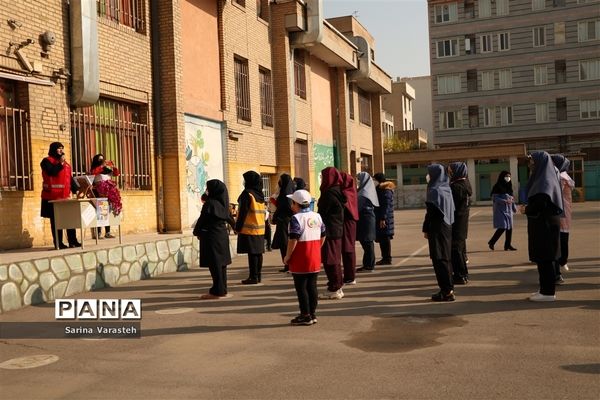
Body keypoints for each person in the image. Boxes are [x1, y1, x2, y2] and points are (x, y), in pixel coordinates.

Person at [283, 190, 326, 326]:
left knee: (301, 287)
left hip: (301, 256)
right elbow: (323, 234)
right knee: (312, 286)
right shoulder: (317, 216)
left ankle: (305, 315)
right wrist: (317, 248)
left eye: (292, 202)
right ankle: (312, 313)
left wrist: (287, 256)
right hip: (314, 256)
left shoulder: (296, 219)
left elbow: (293, 239)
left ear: (296, 204)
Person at [524, 151, 563, 302]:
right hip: (543, 223)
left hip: (545, 225)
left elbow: (540, 203)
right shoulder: (543, 178)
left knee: (545, 258)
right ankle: (544, 289)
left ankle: (548, 292)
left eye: (532, 161)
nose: (530, 164)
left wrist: (526, 209)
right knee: (543, 258)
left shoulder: (545, 180)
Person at [193, 179, 234, 299]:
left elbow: (202, 220)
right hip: (222, 236)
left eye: (208, 188)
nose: (207, 190)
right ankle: (222, 288)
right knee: (221, 264)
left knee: (214, 264)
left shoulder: (210, 203)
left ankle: (217, 291)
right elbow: (230, 219)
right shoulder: (224, 204)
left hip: (211, 237)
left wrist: (196, 232)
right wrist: (237, 228)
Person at [422, 164, 456, 302]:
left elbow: (430, 213)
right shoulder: (445, 188)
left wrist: (426, 229)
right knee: (446, 258)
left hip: (437, 228)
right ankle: (449, 288)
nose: (428, 176)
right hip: (447, 226)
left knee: (439, 258)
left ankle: (446, 291)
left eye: (429, 173)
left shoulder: (434, 190)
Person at [40, 142, 81, 249]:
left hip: (65, 197)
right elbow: (51, 172)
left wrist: (76, 189)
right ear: (54, 149)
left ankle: (73, 241)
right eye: (59, 148)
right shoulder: (46, 161)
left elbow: (69, 178)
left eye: (62, 148)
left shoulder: (66, 164)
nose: (61, 150)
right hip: (52, 197)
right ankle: (59, 243)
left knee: (69, 219)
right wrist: (60, 164)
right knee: (56, 221)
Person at [317, 167, 346, 300]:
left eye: (323, 177)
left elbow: (323, 211)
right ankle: (335, 285)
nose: (322, 179)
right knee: (333, 259)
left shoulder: (329, 193)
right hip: (336, 229)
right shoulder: (337, 191)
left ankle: (335, 287)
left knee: (331, 260)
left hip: (330, 230)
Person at [235, 171, 266, 284]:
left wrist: (237, 227)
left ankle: (253, 277)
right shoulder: (260, 194)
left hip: (249, 229)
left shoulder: (247, 194)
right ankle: (258, 276)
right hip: (260, 228)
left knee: (252, 254)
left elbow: (243, 212)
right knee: (258, 253)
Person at [551, 154, 574, 285]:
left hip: (561, 213)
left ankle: (561, 263)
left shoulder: (560, 177)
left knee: (559, 241)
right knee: (563, 238)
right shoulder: (564, 176)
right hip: (565, 213)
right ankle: (563, 261)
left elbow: (554, 192)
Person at [449, 162, 472, 284]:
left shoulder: (456, 187)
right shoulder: (465, 183)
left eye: (451, 170)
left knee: (456, 250)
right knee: (461, 250)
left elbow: (451, 206)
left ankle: (459, 275)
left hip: (457, 221)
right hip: (462, 221)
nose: (450, 173)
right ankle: (464, 273)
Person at [90, 153, 119, 239]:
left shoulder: (106, 169)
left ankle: (108, 232)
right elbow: (94, 172)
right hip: (100, 192)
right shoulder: (95, 169)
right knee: (101, 211)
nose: (102, 161)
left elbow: (116, 174)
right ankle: (98, 232)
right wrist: (102, 166)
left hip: (110, 192)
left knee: (108, 211)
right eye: (100, 159)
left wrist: (113, 166)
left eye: (102, 159)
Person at [488, 171, 517, 251]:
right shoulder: (497, 186)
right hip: (500, 210)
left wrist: (514, 208)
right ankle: (492, 242)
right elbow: (495, 198)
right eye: (506, 176)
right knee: (503, 227)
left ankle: (507, 245)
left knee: (509, 227)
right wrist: (504, 201)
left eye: (509, 176)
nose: (508, 178)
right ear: (502, 177)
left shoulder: (509, 186)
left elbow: (512, 198)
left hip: (509, 210)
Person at [271, 173, 295, 272]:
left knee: (284, 243)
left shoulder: (285, 193)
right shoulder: (289, 192)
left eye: (280, 180)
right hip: (285, 220)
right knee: (284, 243)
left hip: (284, 221)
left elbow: (285, 207)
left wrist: (275, 216)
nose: (278, 182)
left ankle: (288, 264)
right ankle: (287, 265)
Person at [356, 172, 379, 272]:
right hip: (367, 219)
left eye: (358, 179)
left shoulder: (364, 193)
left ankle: (369, 265)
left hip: (365, 220)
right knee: (367, 243)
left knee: (367, 242)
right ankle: (368, 264)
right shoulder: (367, 190)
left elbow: (358, 207)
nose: (357, 181)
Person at [373, 172, 395, 265]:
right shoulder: (380, 189)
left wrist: (383, 218)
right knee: (383, 238)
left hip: (384, 218)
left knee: (385, 238)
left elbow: (385, 206)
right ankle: (385, 257)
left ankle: (387, 258)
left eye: (374, 180)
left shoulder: (385, 190)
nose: (373, 181)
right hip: (381, 217)